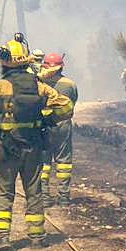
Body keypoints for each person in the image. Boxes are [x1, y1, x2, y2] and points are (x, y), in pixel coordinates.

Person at [0, 39, 74, 251]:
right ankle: (37, 238)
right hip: (33, 147)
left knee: (2, 192)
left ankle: (1, 240)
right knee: (34, 191)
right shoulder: (39, 87)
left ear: (5, 62)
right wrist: (47, 120)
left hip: (6, 150)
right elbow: (66, 107)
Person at [38, 52, 79, 205]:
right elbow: (71, 103)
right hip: (63, 124)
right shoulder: (70, 84)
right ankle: (63, 196)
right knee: (64, 162)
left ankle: (44, 196)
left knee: (44, 161)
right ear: (62, 67)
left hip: (44, 125)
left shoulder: (39, 83)